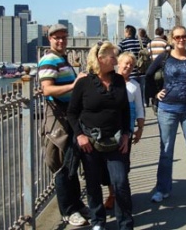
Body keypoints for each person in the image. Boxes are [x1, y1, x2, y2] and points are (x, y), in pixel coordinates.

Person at [67, 41, 134, 230]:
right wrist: (80, 135)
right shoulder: (84, 83)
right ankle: (98, 222)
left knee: (120, 181)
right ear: (100, 58)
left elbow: (125, 110)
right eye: (112, 56)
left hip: (115, 140)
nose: (115, 59)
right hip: (90, 142)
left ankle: (125, 224)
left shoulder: (119, 80)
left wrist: (127, 135)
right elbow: (72, 113)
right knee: (93, 183)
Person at [145, 25, 186, 209]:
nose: (181, 40)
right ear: (172, 39)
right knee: (166, 151)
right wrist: (155, 94)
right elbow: (148, 74)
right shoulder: (164, 57)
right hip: (167, 109)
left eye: (184, 36)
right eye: (177, 37)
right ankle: (162, 189)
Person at [37, 23, 89, 226]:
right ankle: (68, 211)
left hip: (69, 118)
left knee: (71, 164)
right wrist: (75, 85)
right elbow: (47, 90)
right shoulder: (49, 59)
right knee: (62, 167)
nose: (60, 41)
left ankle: (76, 204)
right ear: (49, 39)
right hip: (58, 120)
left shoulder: (61, 59)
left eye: (63, 37)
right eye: (56, 37)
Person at [104, 52, 145, 210]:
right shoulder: (109, 81)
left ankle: (121, 192)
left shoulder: (134, 85)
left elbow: (140, 108)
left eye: (131, 65)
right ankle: (112, 194)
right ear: (117, 63)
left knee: (124, 162)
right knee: (108, 163)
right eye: (125, 63)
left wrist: (140, 128)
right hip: (109, 129)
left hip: (126, 130)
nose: (128, 67)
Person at [118, 25, 147, 106]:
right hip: (142, 72)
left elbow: (117, 51)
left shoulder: (123, 42)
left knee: (130, 97)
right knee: (140, 98)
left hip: (130, 74)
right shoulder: (141, 42)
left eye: (125, 32)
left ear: (127, 32)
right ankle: (141, 115)